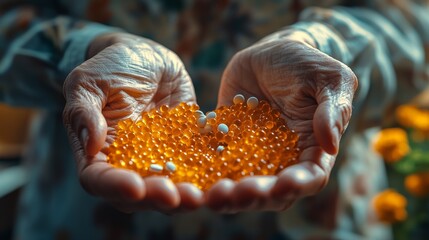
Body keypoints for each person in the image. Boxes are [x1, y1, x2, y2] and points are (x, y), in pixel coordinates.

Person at [1, 0, 428, 239]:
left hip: (312, 218)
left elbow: (415, 25)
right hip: (86, 218)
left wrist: (325, 49)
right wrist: (81, 51)